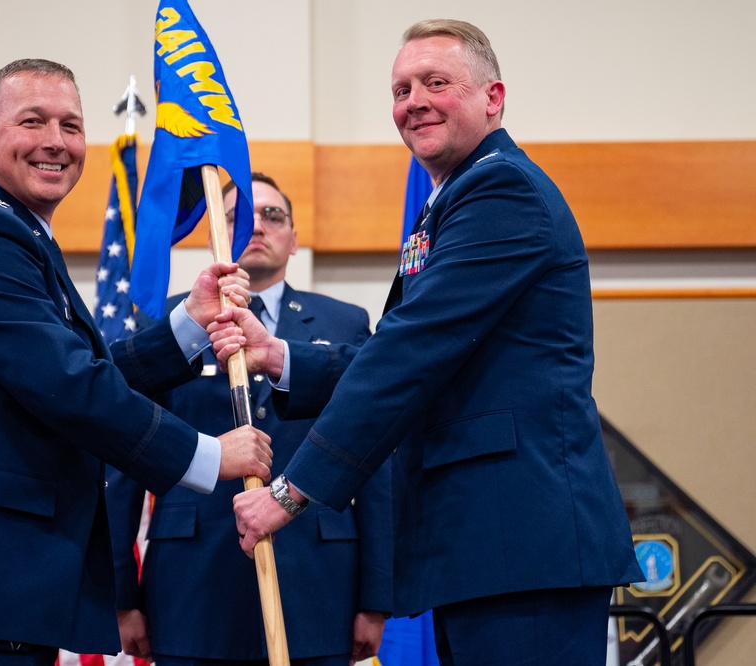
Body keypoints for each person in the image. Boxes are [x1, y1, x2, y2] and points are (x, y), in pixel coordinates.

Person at [223, 20, 645, 665]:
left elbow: (411, 352)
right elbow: (411, 348)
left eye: (436, 83)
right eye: (400, 89)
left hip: (523, 544)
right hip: (483, 546)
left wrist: (289, 491)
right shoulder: (455, 199)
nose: (412, 100)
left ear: (493, 98)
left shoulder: (501, 190)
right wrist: (280, 356)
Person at [0, 59, 273, 665]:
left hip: (2, 596)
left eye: (71, 125)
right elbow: (69, 387)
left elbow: (82, 369)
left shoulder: (25, 239)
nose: (56, 142)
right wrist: (209, 457)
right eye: (33, 121)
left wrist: (190, 322)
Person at [105, 173, 393, 666]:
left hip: (318, 585)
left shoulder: (344, 323)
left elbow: (374, 456)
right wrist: (121, 595)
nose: (256, 226)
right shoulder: (170, 322)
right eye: (238, 218)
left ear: (295, 238)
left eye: (272, 215)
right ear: (218, 234)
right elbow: (127, 453)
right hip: (191, 589)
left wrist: (375, 597)